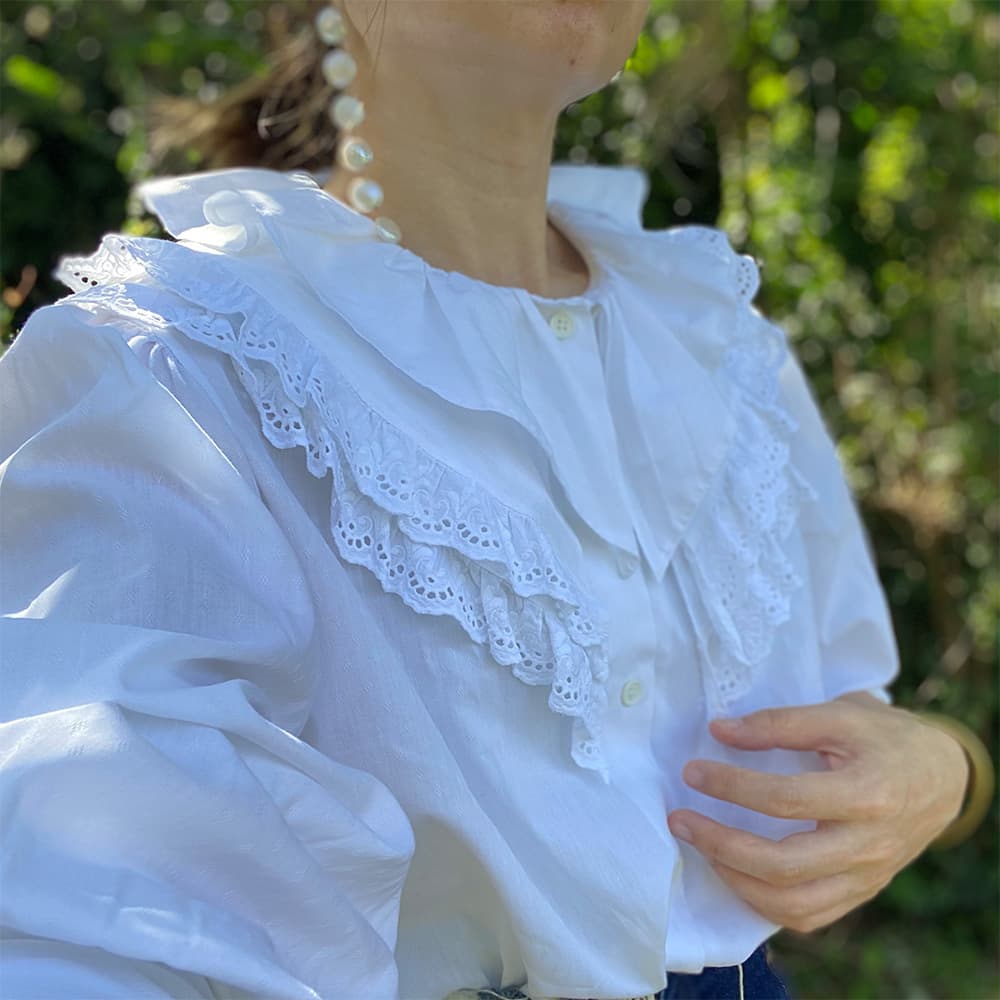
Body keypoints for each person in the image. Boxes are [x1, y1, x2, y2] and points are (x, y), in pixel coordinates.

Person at [0, 2, 982, 999]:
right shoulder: (171, 366)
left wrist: (951, 770)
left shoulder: (719, 341)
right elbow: (91, 914)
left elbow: (859, 720)